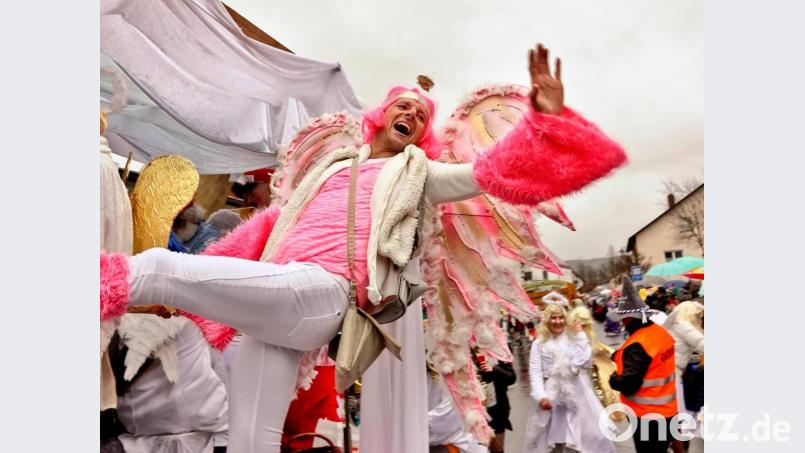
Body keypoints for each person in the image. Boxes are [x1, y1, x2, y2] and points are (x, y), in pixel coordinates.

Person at [100, 43, 627, 453]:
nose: (412, 115)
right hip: (278, 296)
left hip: (323, 293)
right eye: (404, 106)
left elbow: (489, 173)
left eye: (421, 115)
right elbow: (266, 230)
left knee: (157, 268)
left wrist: (543, 123)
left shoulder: (421, 172)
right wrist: (212, 278)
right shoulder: (329, 167)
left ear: (421, 136)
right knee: (250, 439)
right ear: (381, 114)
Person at [524, 302, 616, 453]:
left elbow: (584, 363)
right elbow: (535, 372)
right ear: (547, 320)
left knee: (583, 442)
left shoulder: (573, 339)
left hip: (576, 397)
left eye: (561, 317)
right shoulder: (538, 344)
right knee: (552, 444)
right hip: (551, 399)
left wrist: (581, 335)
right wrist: (541, 397)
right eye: (553, 318)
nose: (558, 321)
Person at [609, 276, 678, 453]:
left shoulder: (637, 345)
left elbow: (630, 384)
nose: (622, 323)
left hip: (647, 416)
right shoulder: (660, 333)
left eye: (623, 319)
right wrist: (619, 355)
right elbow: (652, 362)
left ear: (629, 319)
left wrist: (614, 380)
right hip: (668, 410)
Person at [664, 301, 704, 450]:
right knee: (679, 419)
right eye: (699, 316)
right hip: (673, 375)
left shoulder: (674, 324)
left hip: (669, 374)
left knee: (676, 417)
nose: (700, 319)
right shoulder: (683, 326)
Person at [474, 350, 516, 453]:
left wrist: (494, 369)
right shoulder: (464, 351)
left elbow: (511, 378)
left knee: (497, 449)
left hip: (497, 410)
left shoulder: (497, 350)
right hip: (473, 411)